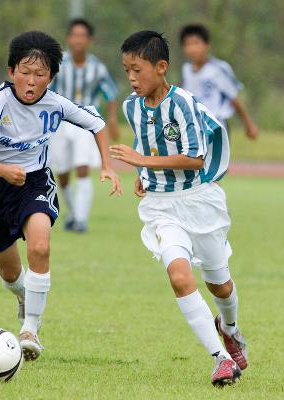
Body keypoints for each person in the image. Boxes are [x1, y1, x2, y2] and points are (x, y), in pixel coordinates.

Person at [0, 30, 122, 361]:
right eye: (25, 72)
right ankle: (23, 297)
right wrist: (2, 170)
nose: (32, 81)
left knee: (40, 246)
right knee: (9, 274)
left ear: (51, 77)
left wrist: (106, 165)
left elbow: (97, 124)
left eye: (40, 74)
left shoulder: (56, 103)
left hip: (35, 182)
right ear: (11, 72)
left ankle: (30, 330)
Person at [111, 30, 247, 386]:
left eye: (137, 70)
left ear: (161, 67)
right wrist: (143, 172)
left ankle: (229, 328)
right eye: (127, 71)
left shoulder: (183, 102)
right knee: (179, 276)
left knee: (219, 285)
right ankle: (220, 358)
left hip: (200, 200)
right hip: (160, 207)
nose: (132, 79)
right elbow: (147, 144)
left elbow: (194, 159)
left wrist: (142, 161)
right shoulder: (130, 106)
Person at [49, 18, 120, 232]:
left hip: (86, 120)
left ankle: (81, 220)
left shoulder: (97, 67)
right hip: (60, 121)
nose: (78, 40)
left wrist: (113, 119)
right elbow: (48, 89)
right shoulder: (59, 63)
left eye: (82, 36)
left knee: (82, 167)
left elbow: (110, 93)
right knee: (61, 172)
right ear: (69, 38)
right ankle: (72, 213)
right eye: (74, 35)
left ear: (89, 40)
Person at [179, 24, 258, 139]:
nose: (192, 49)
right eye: (188, 44)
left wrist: (249, 124)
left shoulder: (218, 69)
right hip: (194, 127)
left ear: (206, 45)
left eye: (196, 43)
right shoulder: (186, 70)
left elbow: (234, 99)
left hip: (216, 126)